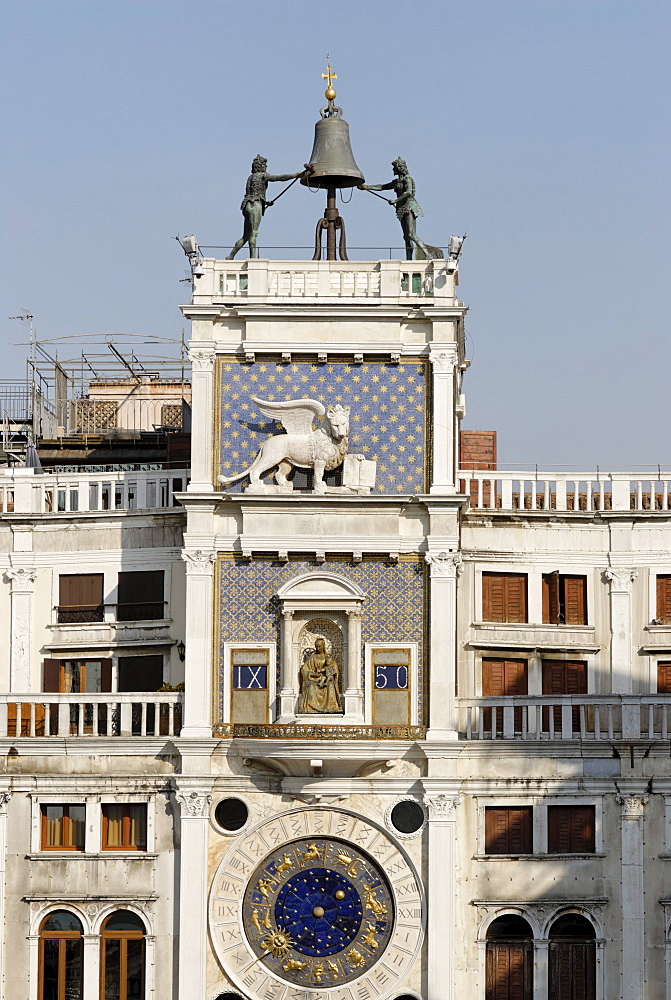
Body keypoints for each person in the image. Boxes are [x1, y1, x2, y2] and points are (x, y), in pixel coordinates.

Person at [226, 156, 309, 260]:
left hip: (246, 205)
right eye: (264, 165)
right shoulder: (262, 176)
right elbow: (279, 178)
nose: (265, 167)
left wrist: (266, 202)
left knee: (246, 236)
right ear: (260, 166)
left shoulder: (250, 177)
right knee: (254, 234)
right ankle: (253, 259)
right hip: (256, 204)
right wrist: (296, 175)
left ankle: (230, 256)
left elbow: (253, 192)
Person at [360, 157, 432, 261]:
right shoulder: (396, 181)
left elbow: (408, 192)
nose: (393, 170)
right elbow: (382, 187)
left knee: (411, 234)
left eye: (394, 167)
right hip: (401, 209)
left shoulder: (408, 179)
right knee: (406, 237)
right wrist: (366, 187)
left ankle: (427, 254)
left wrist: (395, 200)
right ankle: (409, 260)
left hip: (409, 207)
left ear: (400, 168)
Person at [298, 637, 342, 714]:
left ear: (323, 646)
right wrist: (312, 674)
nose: (317, 648)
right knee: (311, 686)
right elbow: (304, 668)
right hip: (314, 679)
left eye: (319, 646)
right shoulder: (312, 657)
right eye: (316, 646)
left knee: (330, 685)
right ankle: (311, 708)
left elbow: (334, 668)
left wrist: (330, 673)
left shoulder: (327, 657)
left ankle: (331, 707)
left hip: (326, 678)